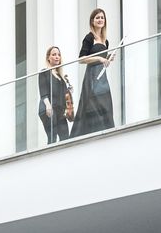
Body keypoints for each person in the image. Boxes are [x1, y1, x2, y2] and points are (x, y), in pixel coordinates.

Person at [68, 9, 115, 138]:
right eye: (97, 18)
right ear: (92, 21)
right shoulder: (89, 37)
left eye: (102, 18)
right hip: (92, 77)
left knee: (105, 104)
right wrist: (99, 58)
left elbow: (103, 61)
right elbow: (81, 59)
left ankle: (107, 134)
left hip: (102, 78)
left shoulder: (106, 41)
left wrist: (109, 58)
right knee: (93, 104)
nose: (100, 20)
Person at [38, 46, 72, 144]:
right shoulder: (44, 72)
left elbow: (65, 96)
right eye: (54, 54)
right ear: (48, 58)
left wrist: (69, 90)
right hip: (48, 107)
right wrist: (48, 106)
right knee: (52, 136)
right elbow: (43, 91)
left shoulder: (60, 76)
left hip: (60, 109)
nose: (57, 57)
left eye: (59, 55)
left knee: (65, 136)